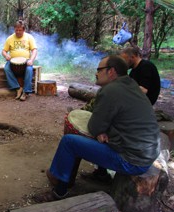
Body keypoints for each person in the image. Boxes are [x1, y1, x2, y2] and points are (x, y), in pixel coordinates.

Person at [43, 55, 160, 201]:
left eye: (99, 69)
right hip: (146, 153)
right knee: (102, 136)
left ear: (111, 71)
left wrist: (100, 131)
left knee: (69, 142)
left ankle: (59, 191)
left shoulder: (110, 90)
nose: (96, 73)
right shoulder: (131, 85)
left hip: (133, 161)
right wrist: (101, 131)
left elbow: (94, 126)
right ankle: (101, 174)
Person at [2, 20, 37, 101]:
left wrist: (31, 60)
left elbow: (34, 50)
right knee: (6, 68)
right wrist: (6, 55)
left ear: (24, 30)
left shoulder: (29, 37)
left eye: (20, 30)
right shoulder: (10, 38)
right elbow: (3, 51)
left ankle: (26, 91)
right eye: (16, 30)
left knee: (29, 69)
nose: (17, 32)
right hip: (12, 61)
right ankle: (17, 88)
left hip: (26, 61)